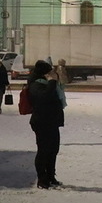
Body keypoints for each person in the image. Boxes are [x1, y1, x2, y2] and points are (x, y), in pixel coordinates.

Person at [28, 60, 66, 189]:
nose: (52, 74)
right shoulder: (35, 85)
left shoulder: (48, 84)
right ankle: (42, 179)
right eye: (49, 71)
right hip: (41, 121)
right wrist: (52, 82)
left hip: (52, 121)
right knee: (43, 151)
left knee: (53, 150)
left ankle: (51, 176)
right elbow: (44, 97)